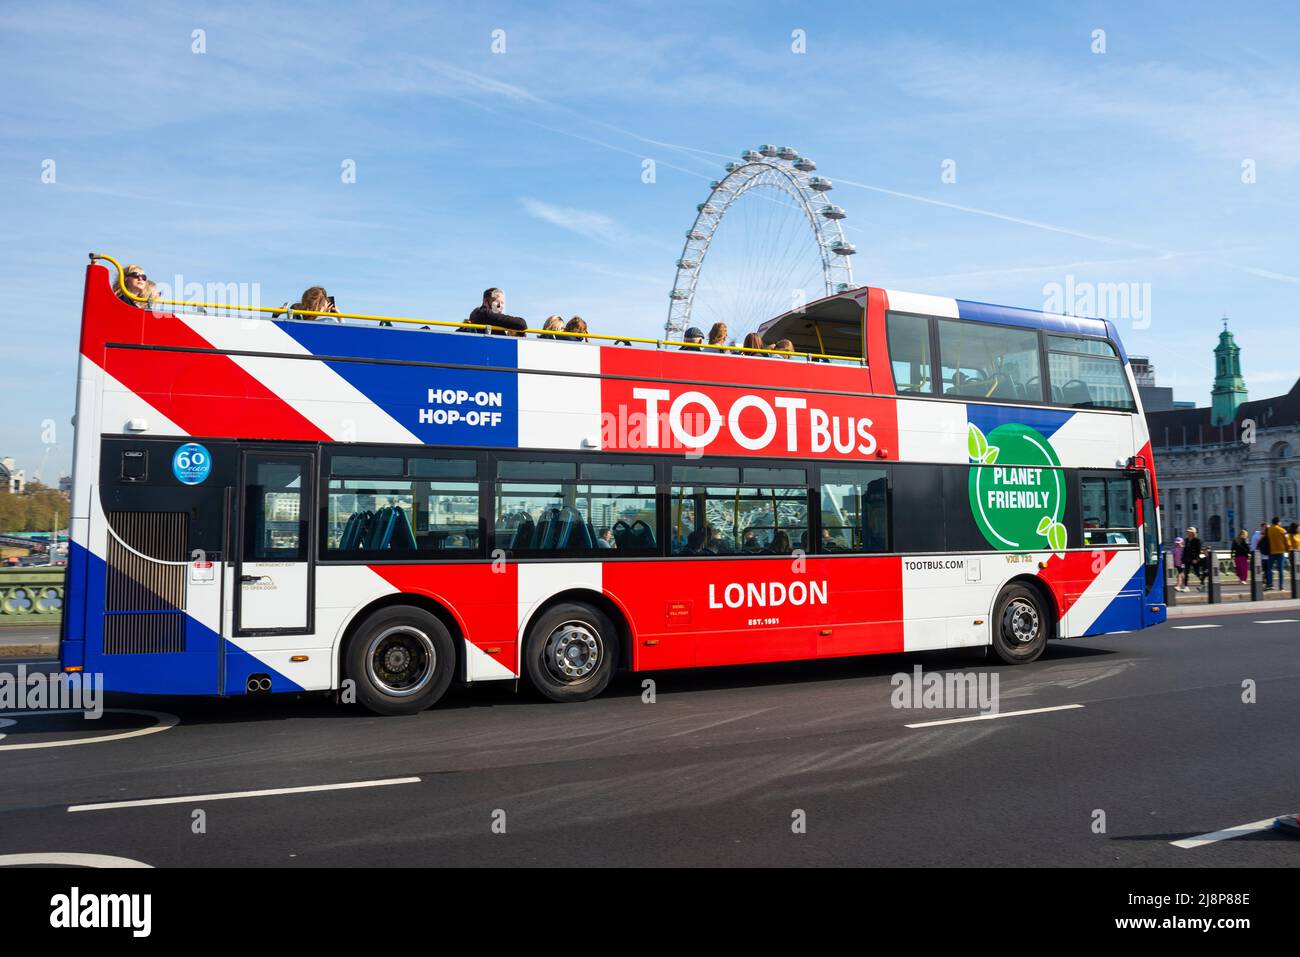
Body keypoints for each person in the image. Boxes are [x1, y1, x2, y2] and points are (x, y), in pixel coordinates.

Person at [462, 287, 527, 335]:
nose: (500, 306)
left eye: (502, 303)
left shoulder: (476, 312)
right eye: (497, 302)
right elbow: (522, 324)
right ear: (485, 301)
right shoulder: (485, 313)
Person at [1265, 516, 1288, 589]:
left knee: (1269, 569)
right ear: (1278, 522)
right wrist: (1288, 549)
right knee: (1280, 570)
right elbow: (1287, 541)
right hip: (1281, 552)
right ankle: (1281, 586)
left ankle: (1269, 584)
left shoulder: (1269, 530)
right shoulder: (1282, 530)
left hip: (1271, 551)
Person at [1179, 527, 1203, 592]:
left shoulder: (1197, 540)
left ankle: (1202, 583)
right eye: (1188, 532)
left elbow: (1199, 551)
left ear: (1193, 533)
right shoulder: (1186, 540)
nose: (1188, 533)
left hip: (1194, 559)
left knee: (1197, 572)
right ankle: (1186, 587)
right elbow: (1185, 550)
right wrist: (1182, 559)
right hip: (1187, 559)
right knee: (1186, 572)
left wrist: (1196, 559)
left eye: (1190, 532)